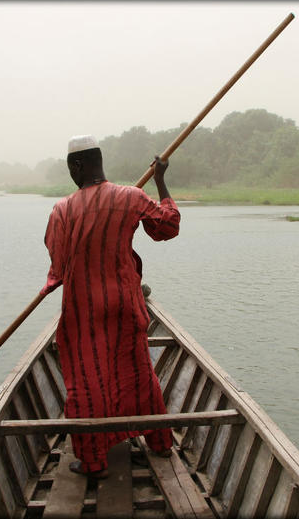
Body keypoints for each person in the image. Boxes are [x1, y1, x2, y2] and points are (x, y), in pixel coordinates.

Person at [40, 135, 180, 478]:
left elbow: (58, 266)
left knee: (87, 379)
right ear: (99, 162)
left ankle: (93, 460)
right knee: (137, 370)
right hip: (125, 305)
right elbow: (167, 227)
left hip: (84, 310)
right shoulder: (130, 197)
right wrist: (161, 180)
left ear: (77, 166)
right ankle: (160, 441)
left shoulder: (62, 210)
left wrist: (53, 280)